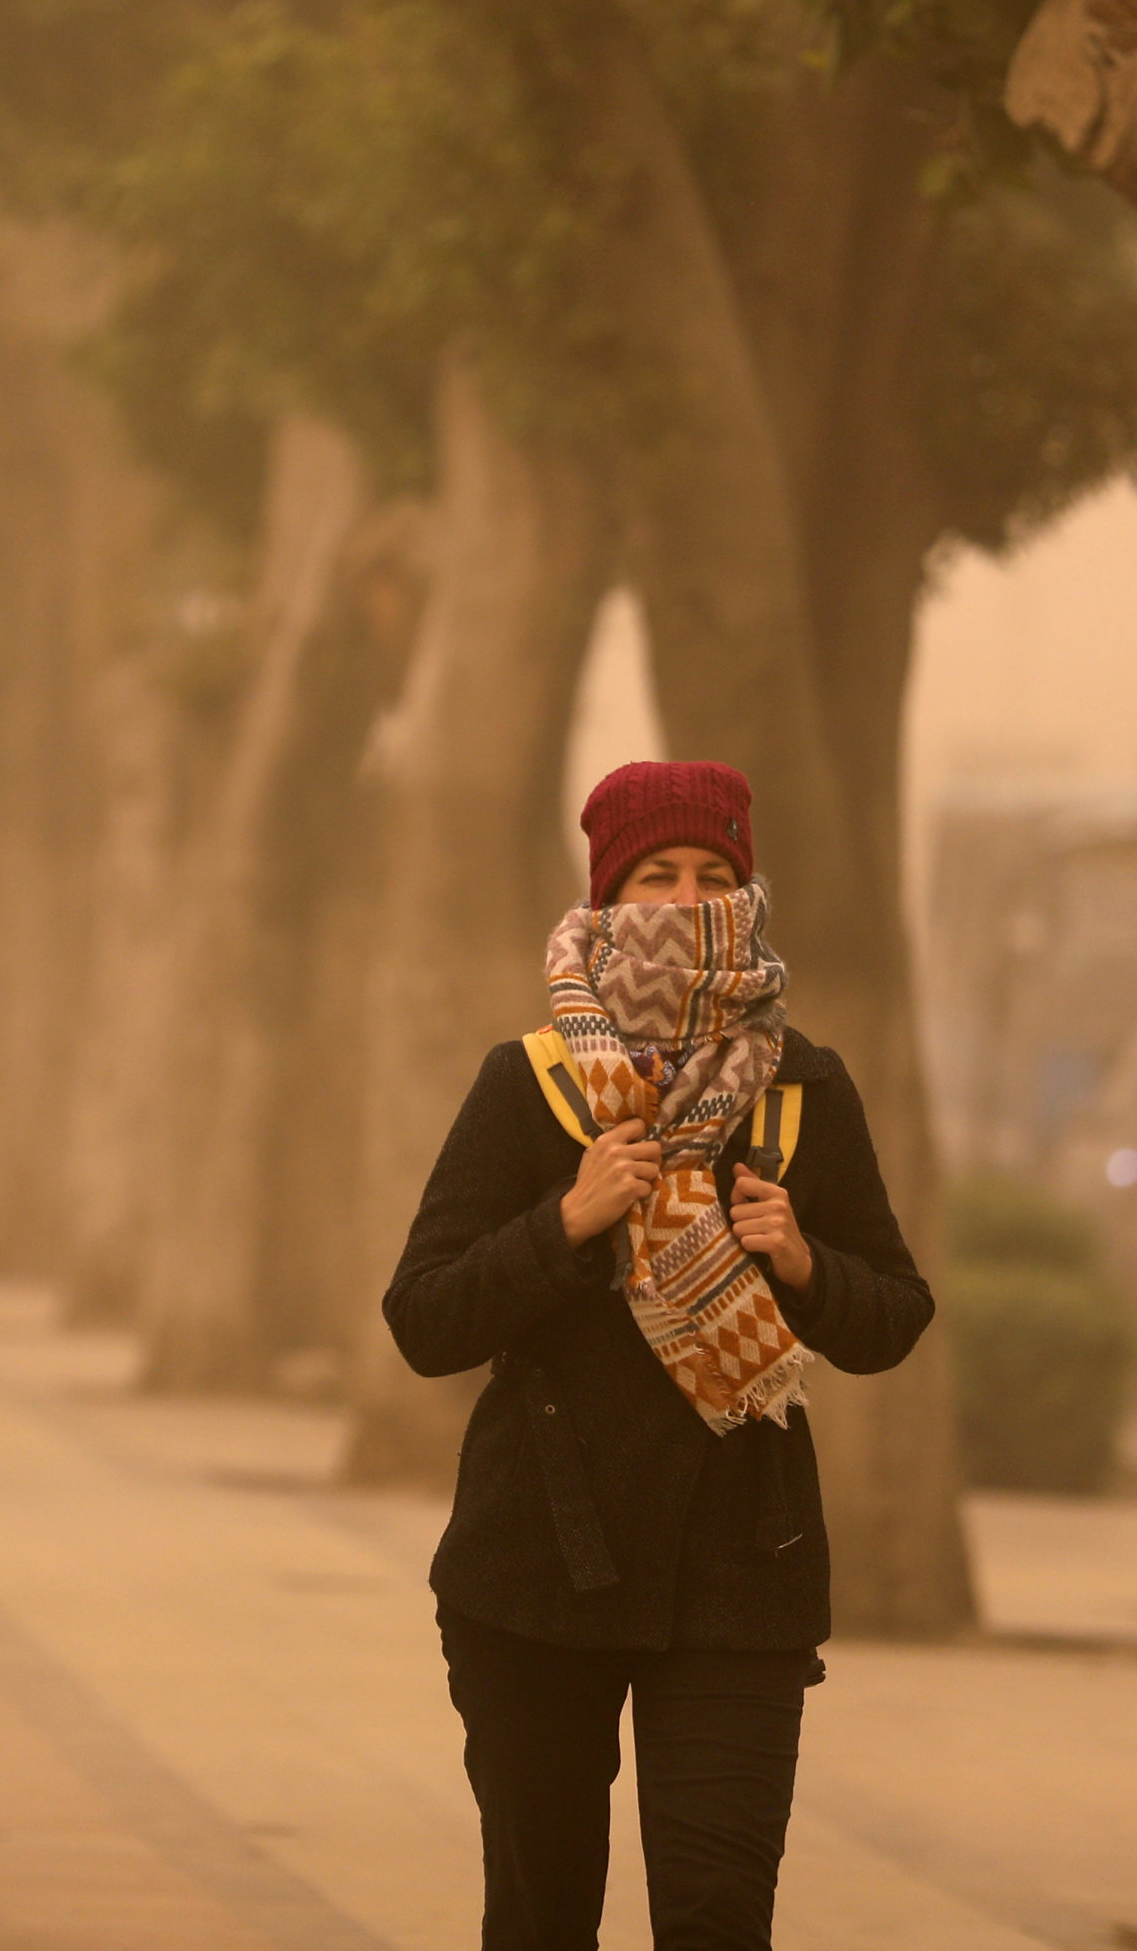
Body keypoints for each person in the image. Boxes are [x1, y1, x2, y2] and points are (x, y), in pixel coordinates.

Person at [383, 760, 935, 1951]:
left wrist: (804, 1266)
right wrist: (565, 1224)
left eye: (711, 876)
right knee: (539, 1920)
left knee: (716, 1915)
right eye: (655, 875)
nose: (685, 901)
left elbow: (893, 1315)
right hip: (535, 1573)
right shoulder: (527, 1085)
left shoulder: (801, 1088)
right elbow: (424, 1317)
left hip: (740, 1579)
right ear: (605, 898)